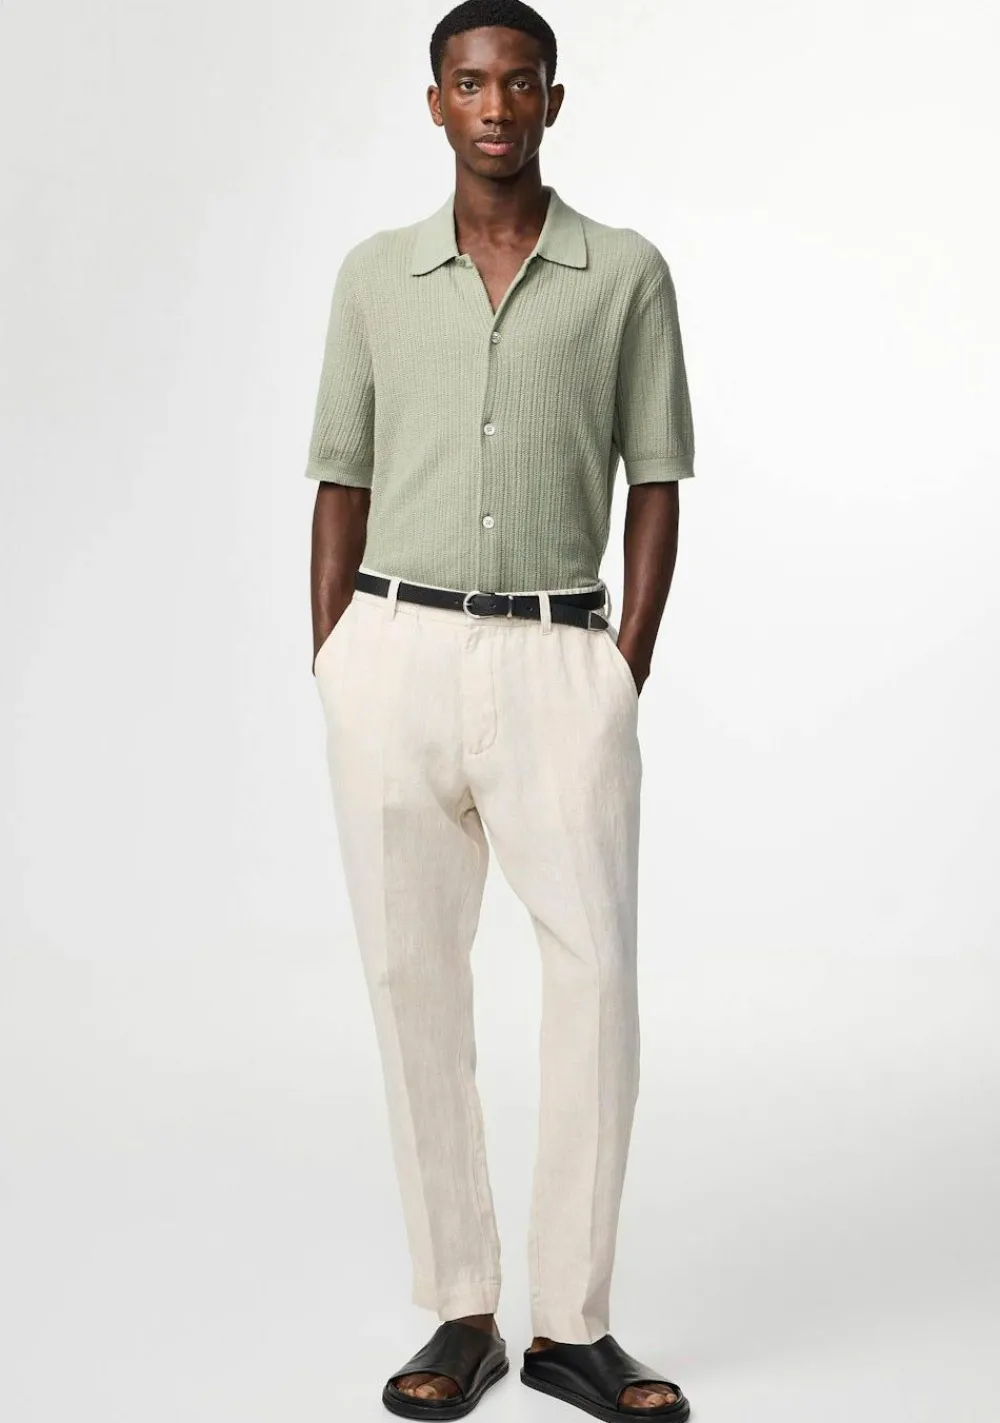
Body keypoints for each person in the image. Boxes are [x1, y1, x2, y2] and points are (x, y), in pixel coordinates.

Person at [304, 1, 695, 1416]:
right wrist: (335, 659)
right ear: (435, 103)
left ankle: (572, 1326)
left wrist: (621, 664)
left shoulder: (624, 272)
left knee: (596, 983)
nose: (494, 106)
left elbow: (657, 475)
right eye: (468, 83)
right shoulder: (374, 275)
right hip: (392, 656)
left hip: (557, 661)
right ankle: (461, 1311)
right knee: (412, 982)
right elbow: (339, 473)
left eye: (518, 84)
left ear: (553, 100)